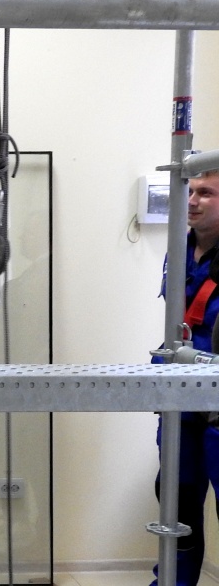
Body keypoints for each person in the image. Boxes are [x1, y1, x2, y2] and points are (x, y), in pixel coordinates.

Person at [151, 169, 219, 586]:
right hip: (179, 400)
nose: (192, 201)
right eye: (190, 191)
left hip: (217, 404)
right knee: (177, 507)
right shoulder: (178, 251)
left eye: (206, 193)